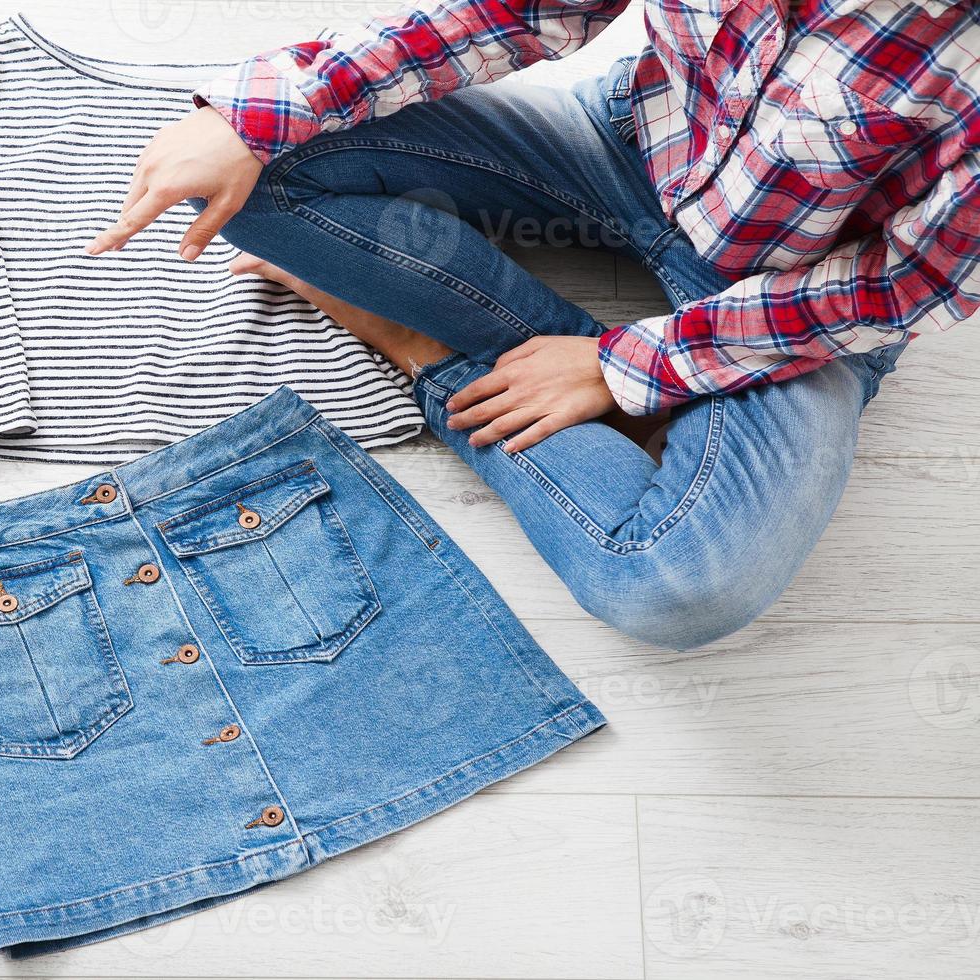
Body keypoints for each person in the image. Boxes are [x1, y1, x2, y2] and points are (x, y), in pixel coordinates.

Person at [86, 0, 978, 650]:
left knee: (678, 587)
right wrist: (256, 115)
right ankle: (538, 364)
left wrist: (627, 363)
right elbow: (519, 8)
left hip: (800, 289)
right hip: (626, 143)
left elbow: (911, 280)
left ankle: (414, 342)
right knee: (248, 163)